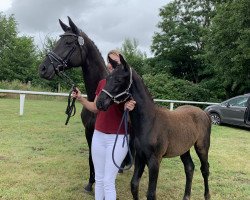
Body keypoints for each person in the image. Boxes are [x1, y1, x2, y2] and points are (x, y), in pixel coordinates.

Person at [72, 50, 136, 200]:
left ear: (122, 64)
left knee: (108, 181)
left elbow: (135, 115)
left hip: (118, 137)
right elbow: (95, 108)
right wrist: (80, 98)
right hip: (99, 135)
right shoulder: (102, 83)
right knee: (99, 179)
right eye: (109, 61)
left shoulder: (129, 84)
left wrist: (131, 108)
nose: (111, 65)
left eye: (115, 62)